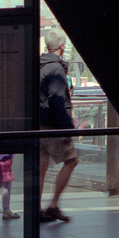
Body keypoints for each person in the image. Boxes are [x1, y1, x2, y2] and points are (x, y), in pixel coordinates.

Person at [38, 28, 79, 223]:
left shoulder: (39, 64)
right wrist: (66, 129)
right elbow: (58, 101)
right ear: (62, 46)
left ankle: (36, 209)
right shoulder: (55, 69)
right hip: (53, 126)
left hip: (38, 125)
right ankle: (53, 205)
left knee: (41, 166)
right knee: (71, 160)